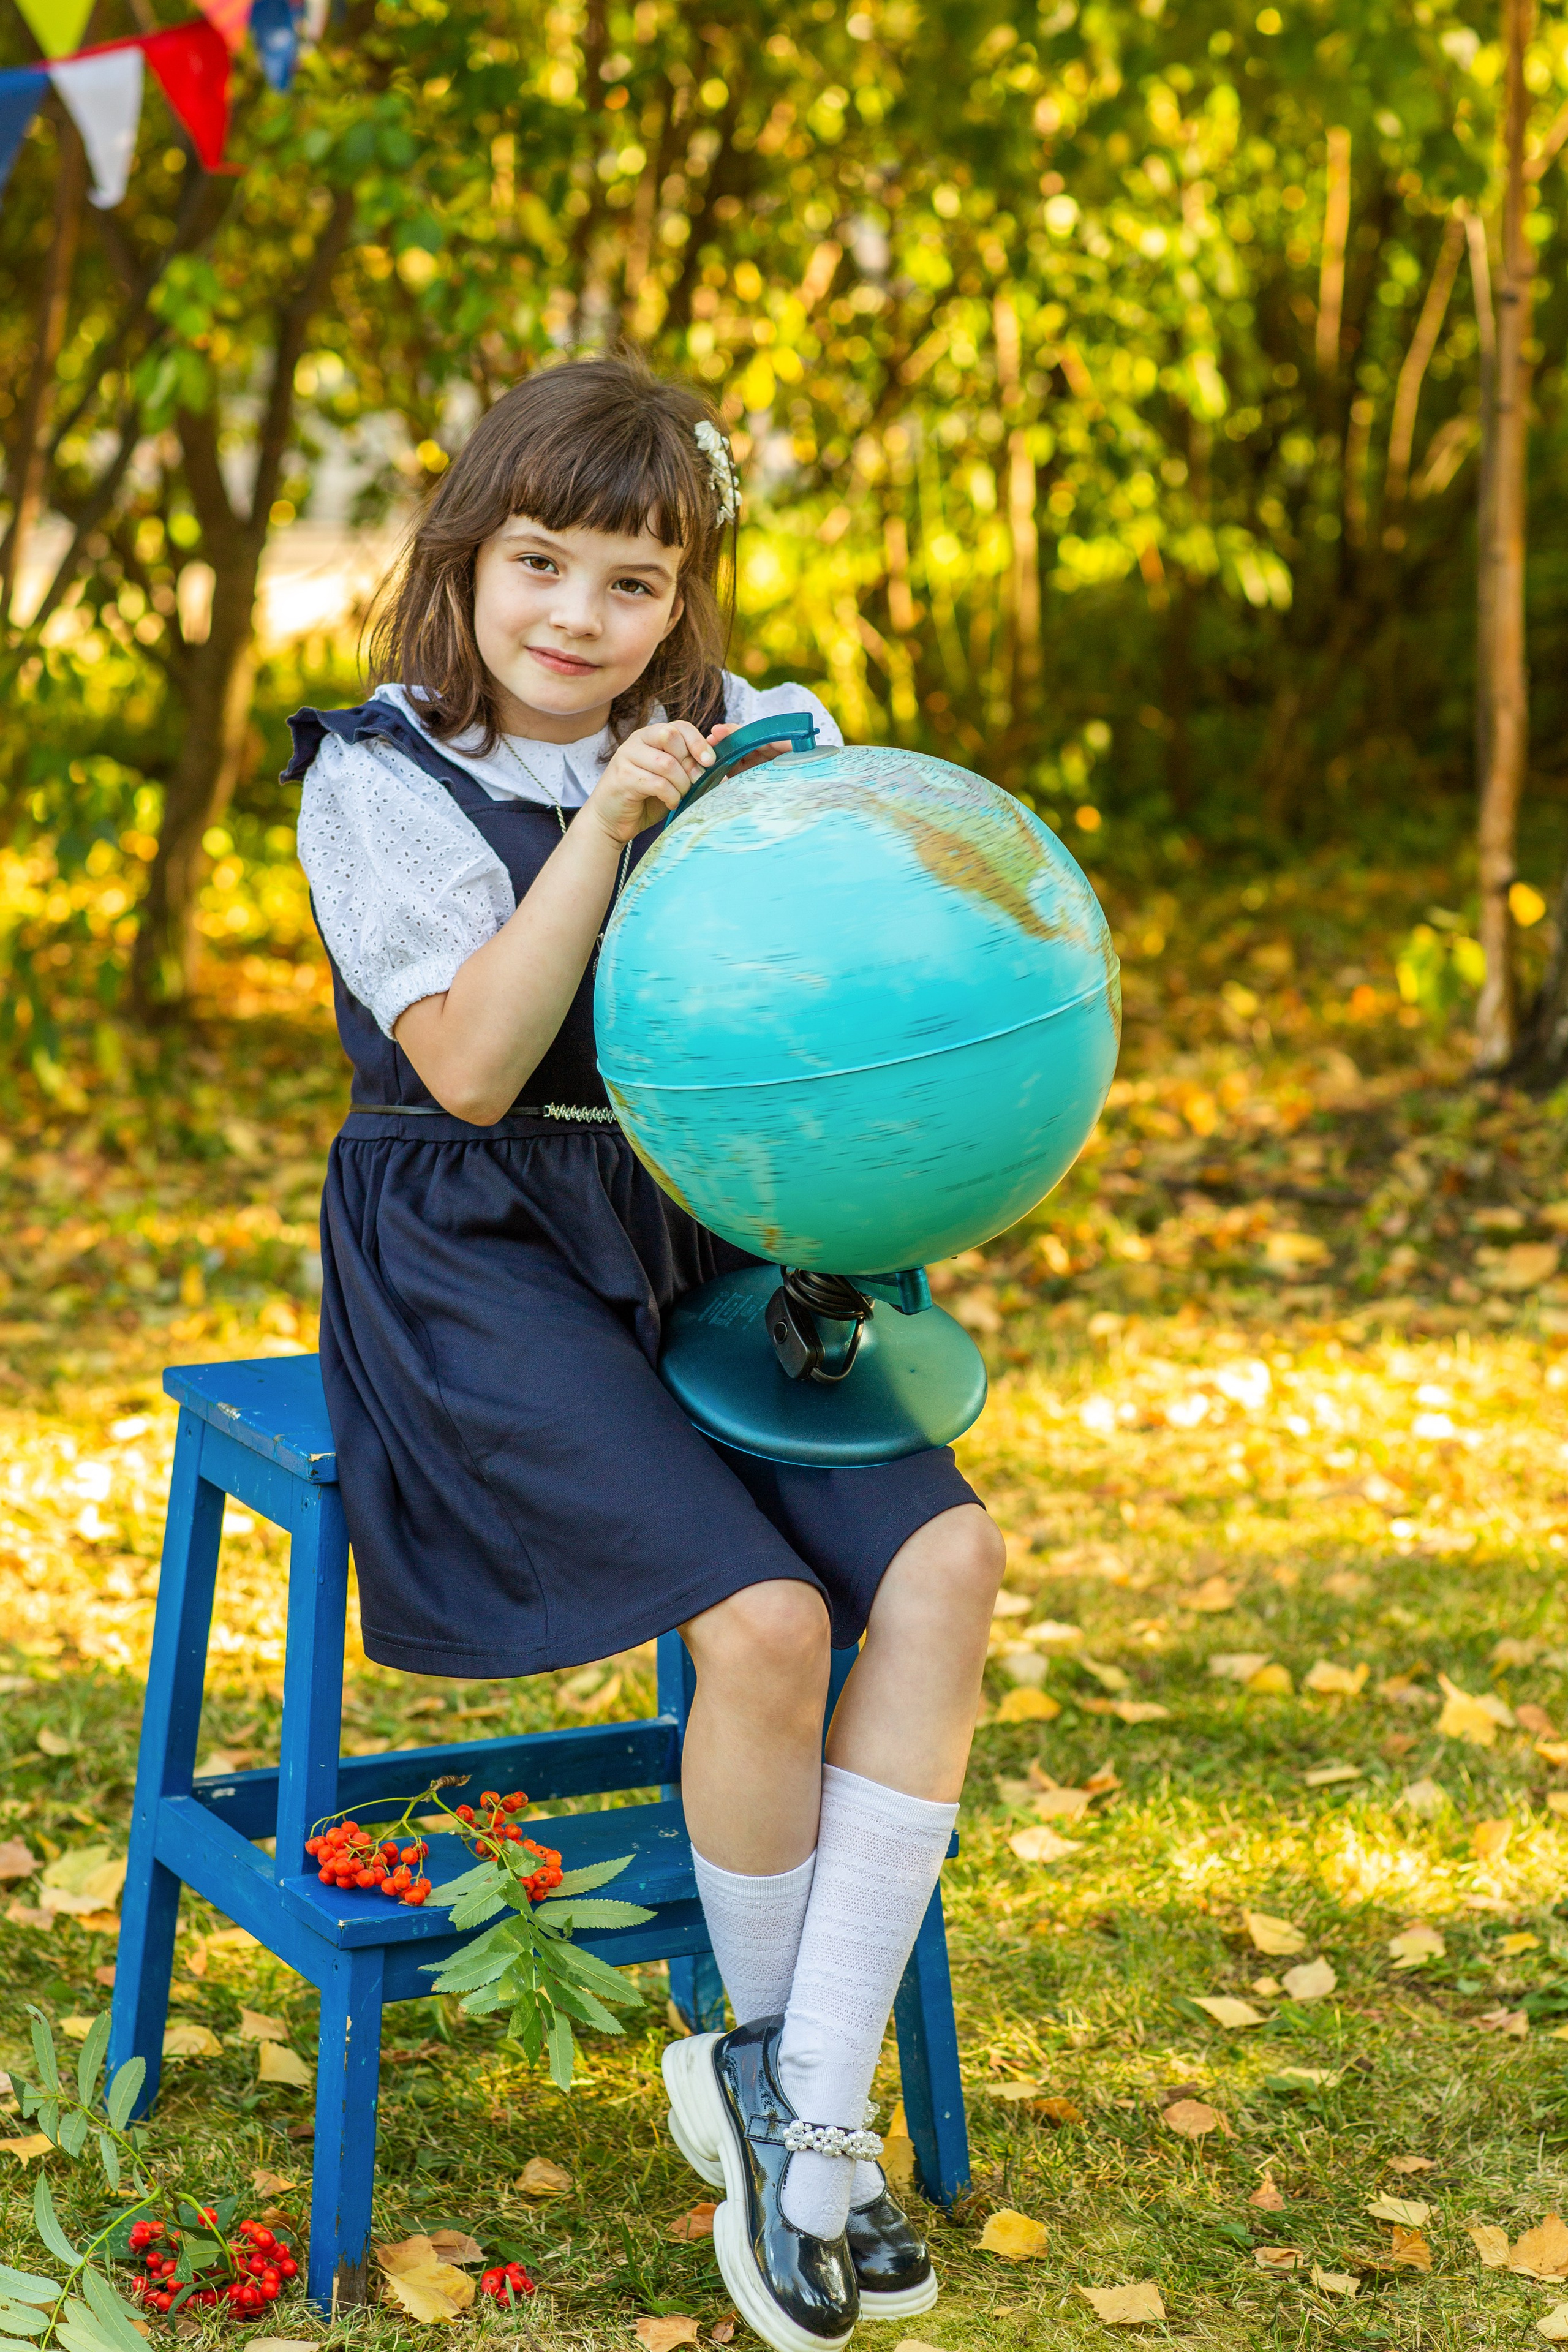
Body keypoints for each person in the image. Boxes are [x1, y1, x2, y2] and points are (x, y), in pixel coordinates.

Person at [290, 352, 1004, 2352]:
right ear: (466, 554)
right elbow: (479, 1059)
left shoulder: (758, 737)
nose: (578, 622)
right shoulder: (380, 773)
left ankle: (803, 2112)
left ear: (683, 590)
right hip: (476, 1243)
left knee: (947, 1563)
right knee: (768, 1626)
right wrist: (609, 820)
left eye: (631, 582)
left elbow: (851, 983)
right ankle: (805, 2121)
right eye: (540, 565)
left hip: (719, 1223)